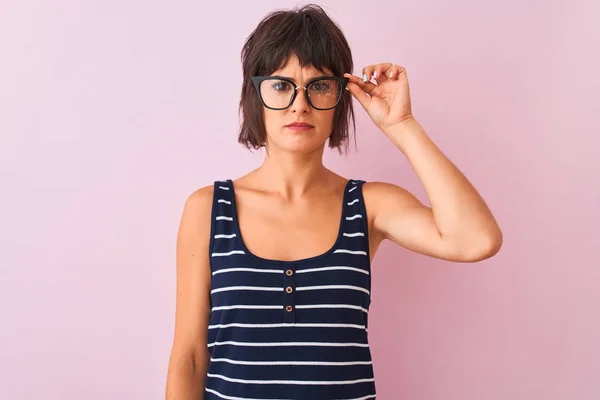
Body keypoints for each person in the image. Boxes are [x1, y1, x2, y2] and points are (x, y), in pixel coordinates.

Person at [165, 4, 502, 399]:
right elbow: (188, 357)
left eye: (319, 85)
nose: (300, 104)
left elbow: (477, 239)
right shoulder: (209, 209)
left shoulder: (369, 206)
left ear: (341, 98)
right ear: (254, 95)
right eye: (281, 85)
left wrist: (402, 126)